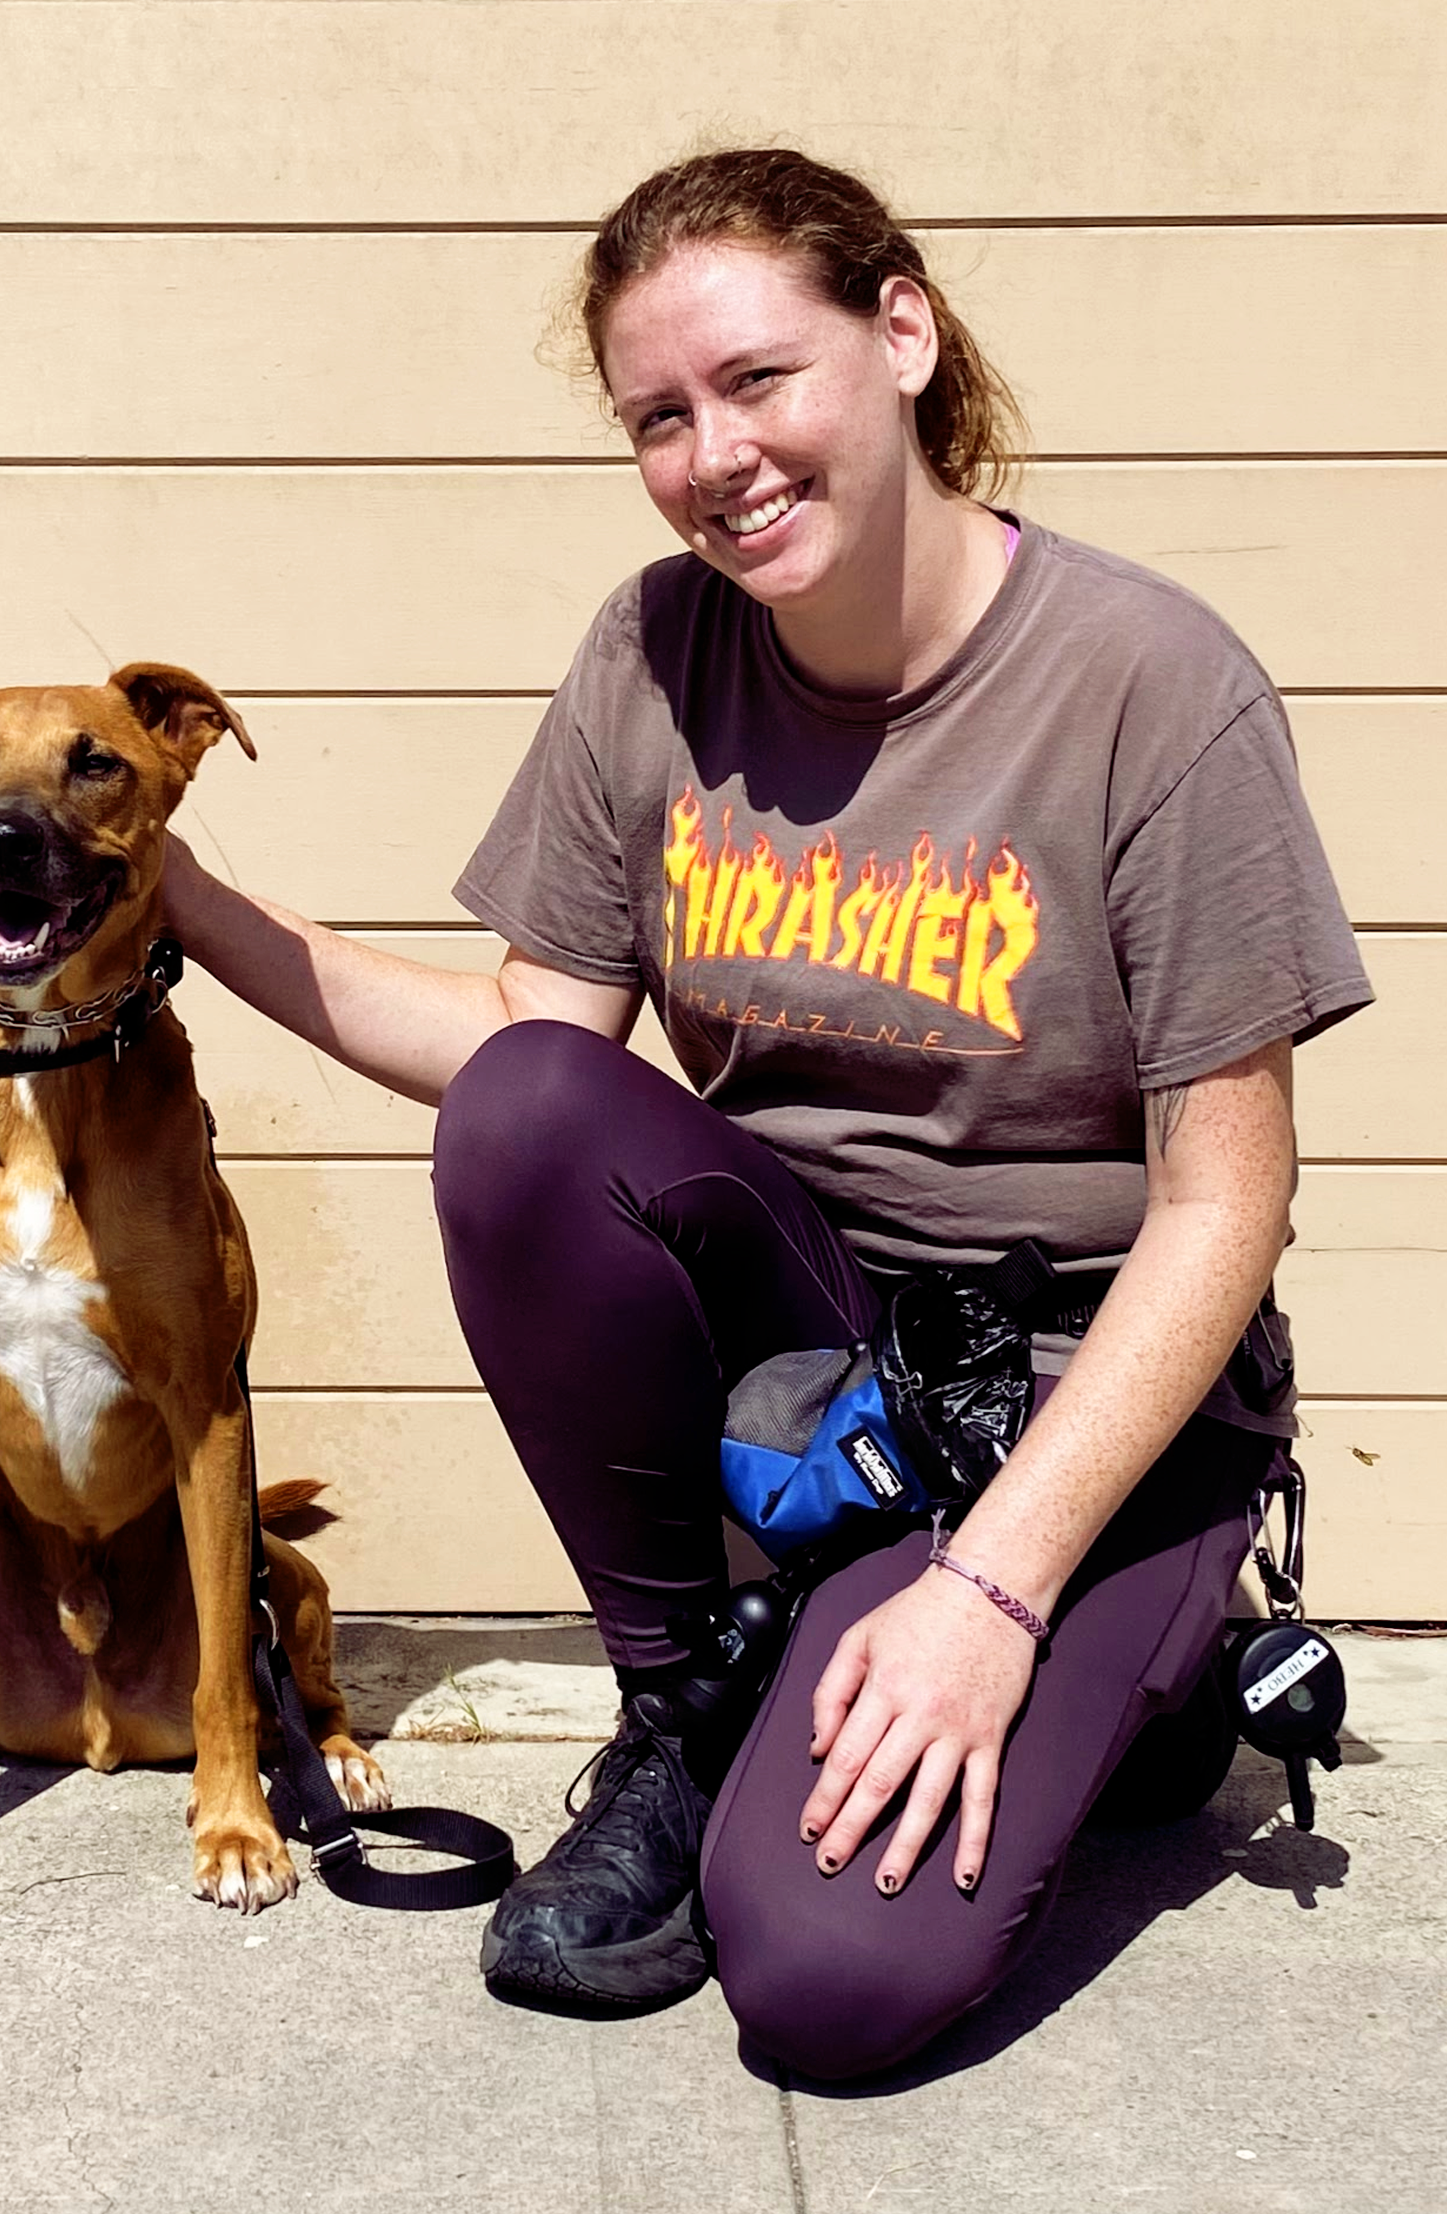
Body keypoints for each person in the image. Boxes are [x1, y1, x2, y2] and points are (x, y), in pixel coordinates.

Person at [163, 148, 1371, 2077]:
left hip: (1080, 1387)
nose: (713, 454)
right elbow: (522, 1051)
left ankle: (1148, 1664)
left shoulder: (1150, 685)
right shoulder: (655, 651)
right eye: (658, 415)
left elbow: (1225, 1204)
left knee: (823, 1980)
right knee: (530, 1116)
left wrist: (991, 1587)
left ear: (900, 334)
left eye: (755, 380)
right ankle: (688, 1700)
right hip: (821, 1374)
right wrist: (178, 897)